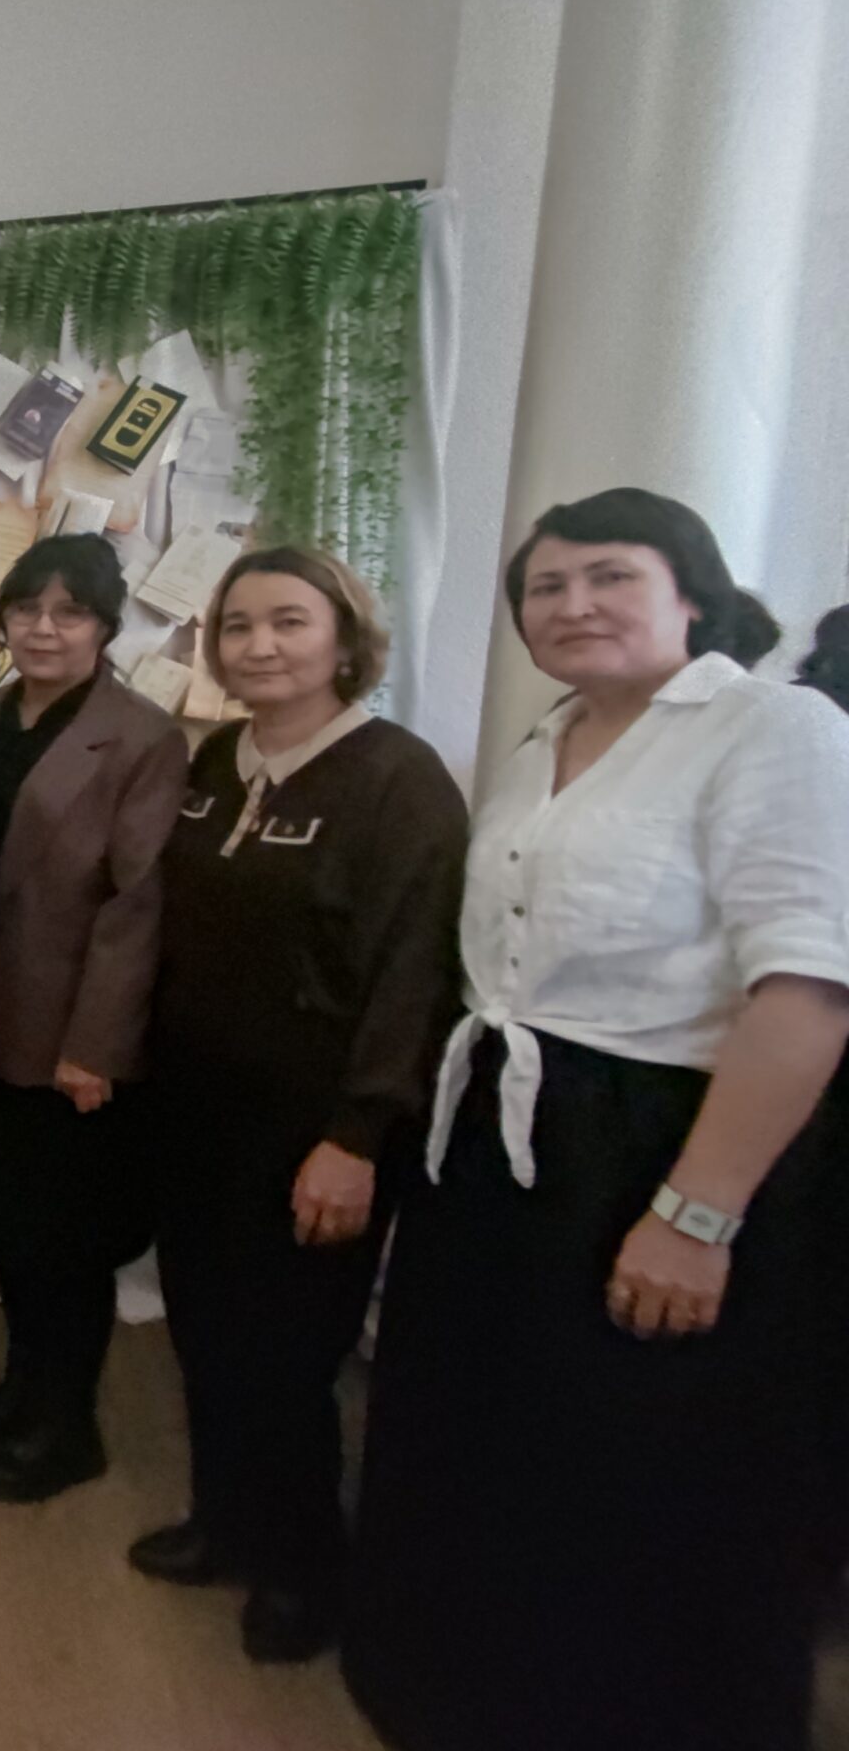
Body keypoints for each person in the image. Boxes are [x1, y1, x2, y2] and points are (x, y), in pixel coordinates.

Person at [345, 490, 849, 1751]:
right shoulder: (546, 739)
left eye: (609, 576)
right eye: (545, 587)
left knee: (628, 1463)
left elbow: (805, 991)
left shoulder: (771, 727)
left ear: (690, 593)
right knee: (482, 1433)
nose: (572, 605)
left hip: (656, 1138)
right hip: (499, 1131)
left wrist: (694, 1215)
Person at [136, 544, 467, 1664]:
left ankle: (303, 1568)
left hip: (316, 1128)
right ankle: (222, 1523)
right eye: (238, 626)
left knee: (286, 1356)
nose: (260, 646)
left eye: (288, 622)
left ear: (343, 638)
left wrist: (357, 1136)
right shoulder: (216, 761)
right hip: (197, 1110)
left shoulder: (396, 780)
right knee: (203, 1330)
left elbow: (414, 975)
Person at [0, 533, 188, 1505]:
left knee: (70, 1241)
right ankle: (21, 1390)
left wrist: (97, 1048)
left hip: (72, 1037)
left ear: (105, 626)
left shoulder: (141, 736)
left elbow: (138, 905)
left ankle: (68, 1424)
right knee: (9, 1227)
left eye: (70, 612)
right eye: (26, 609)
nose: (44, 628)